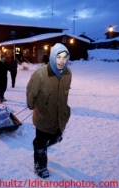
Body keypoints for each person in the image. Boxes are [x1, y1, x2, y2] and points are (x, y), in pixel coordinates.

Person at [26, 43, 72, 178]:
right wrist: (31, 105)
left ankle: (42, 145)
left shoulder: (68, 74)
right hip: (43, 115)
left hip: (59, 116)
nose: (61, 61)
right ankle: (40, 165)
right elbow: (31, 92)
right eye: (58, 57)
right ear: (52, 57)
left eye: (65, 57)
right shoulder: (40, 74)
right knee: (41, 141)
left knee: (55, 137)